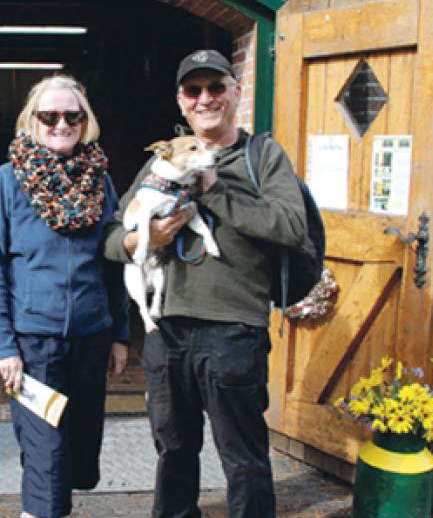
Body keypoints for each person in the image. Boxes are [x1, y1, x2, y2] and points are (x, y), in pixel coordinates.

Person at [103, 50, 311, 518]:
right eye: (193, 90)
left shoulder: (263, 156)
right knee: (173, 452)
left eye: (216, 87)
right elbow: (113, 238)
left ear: (236, 93)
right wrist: (145, 238)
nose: (205, 99)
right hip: (167, 332)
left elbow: (290, 227)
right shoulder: (163, 163)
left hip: (233, 330)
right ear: (180, 102)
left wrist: (214, 186)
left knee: (243, 459)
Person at [0, 75, 129, 518]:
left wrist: (120, 333)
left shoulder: (100, 182)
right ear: (32, 121)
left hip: (91, 337)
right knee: (46, 448)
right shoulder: (8, 181)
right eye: (49, 116)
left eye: (72, 116)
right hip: (34, 343)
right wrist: (3, 347)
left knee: (79, 447)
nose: (61, 124)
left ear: (86, 123)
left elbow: (114, 263)